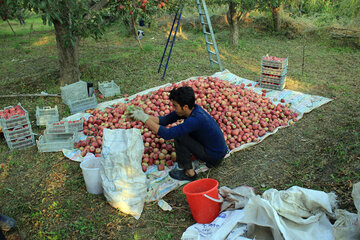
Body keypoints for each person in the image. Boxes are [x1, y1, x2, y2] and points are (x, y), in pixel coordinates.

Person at [130, 86, 228, 181]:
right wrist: (143, 115)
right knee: (182, 132)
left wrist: (144, 119)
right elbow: (164, 120)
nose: (173, 108)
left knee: (179, 135)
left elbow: (167, 134)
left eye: (175, 106)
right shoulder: (191, 109)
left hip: (215, 156)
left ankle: (190, 173)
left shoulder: (196, 119)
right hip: (214, 148)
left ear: (185, 107)